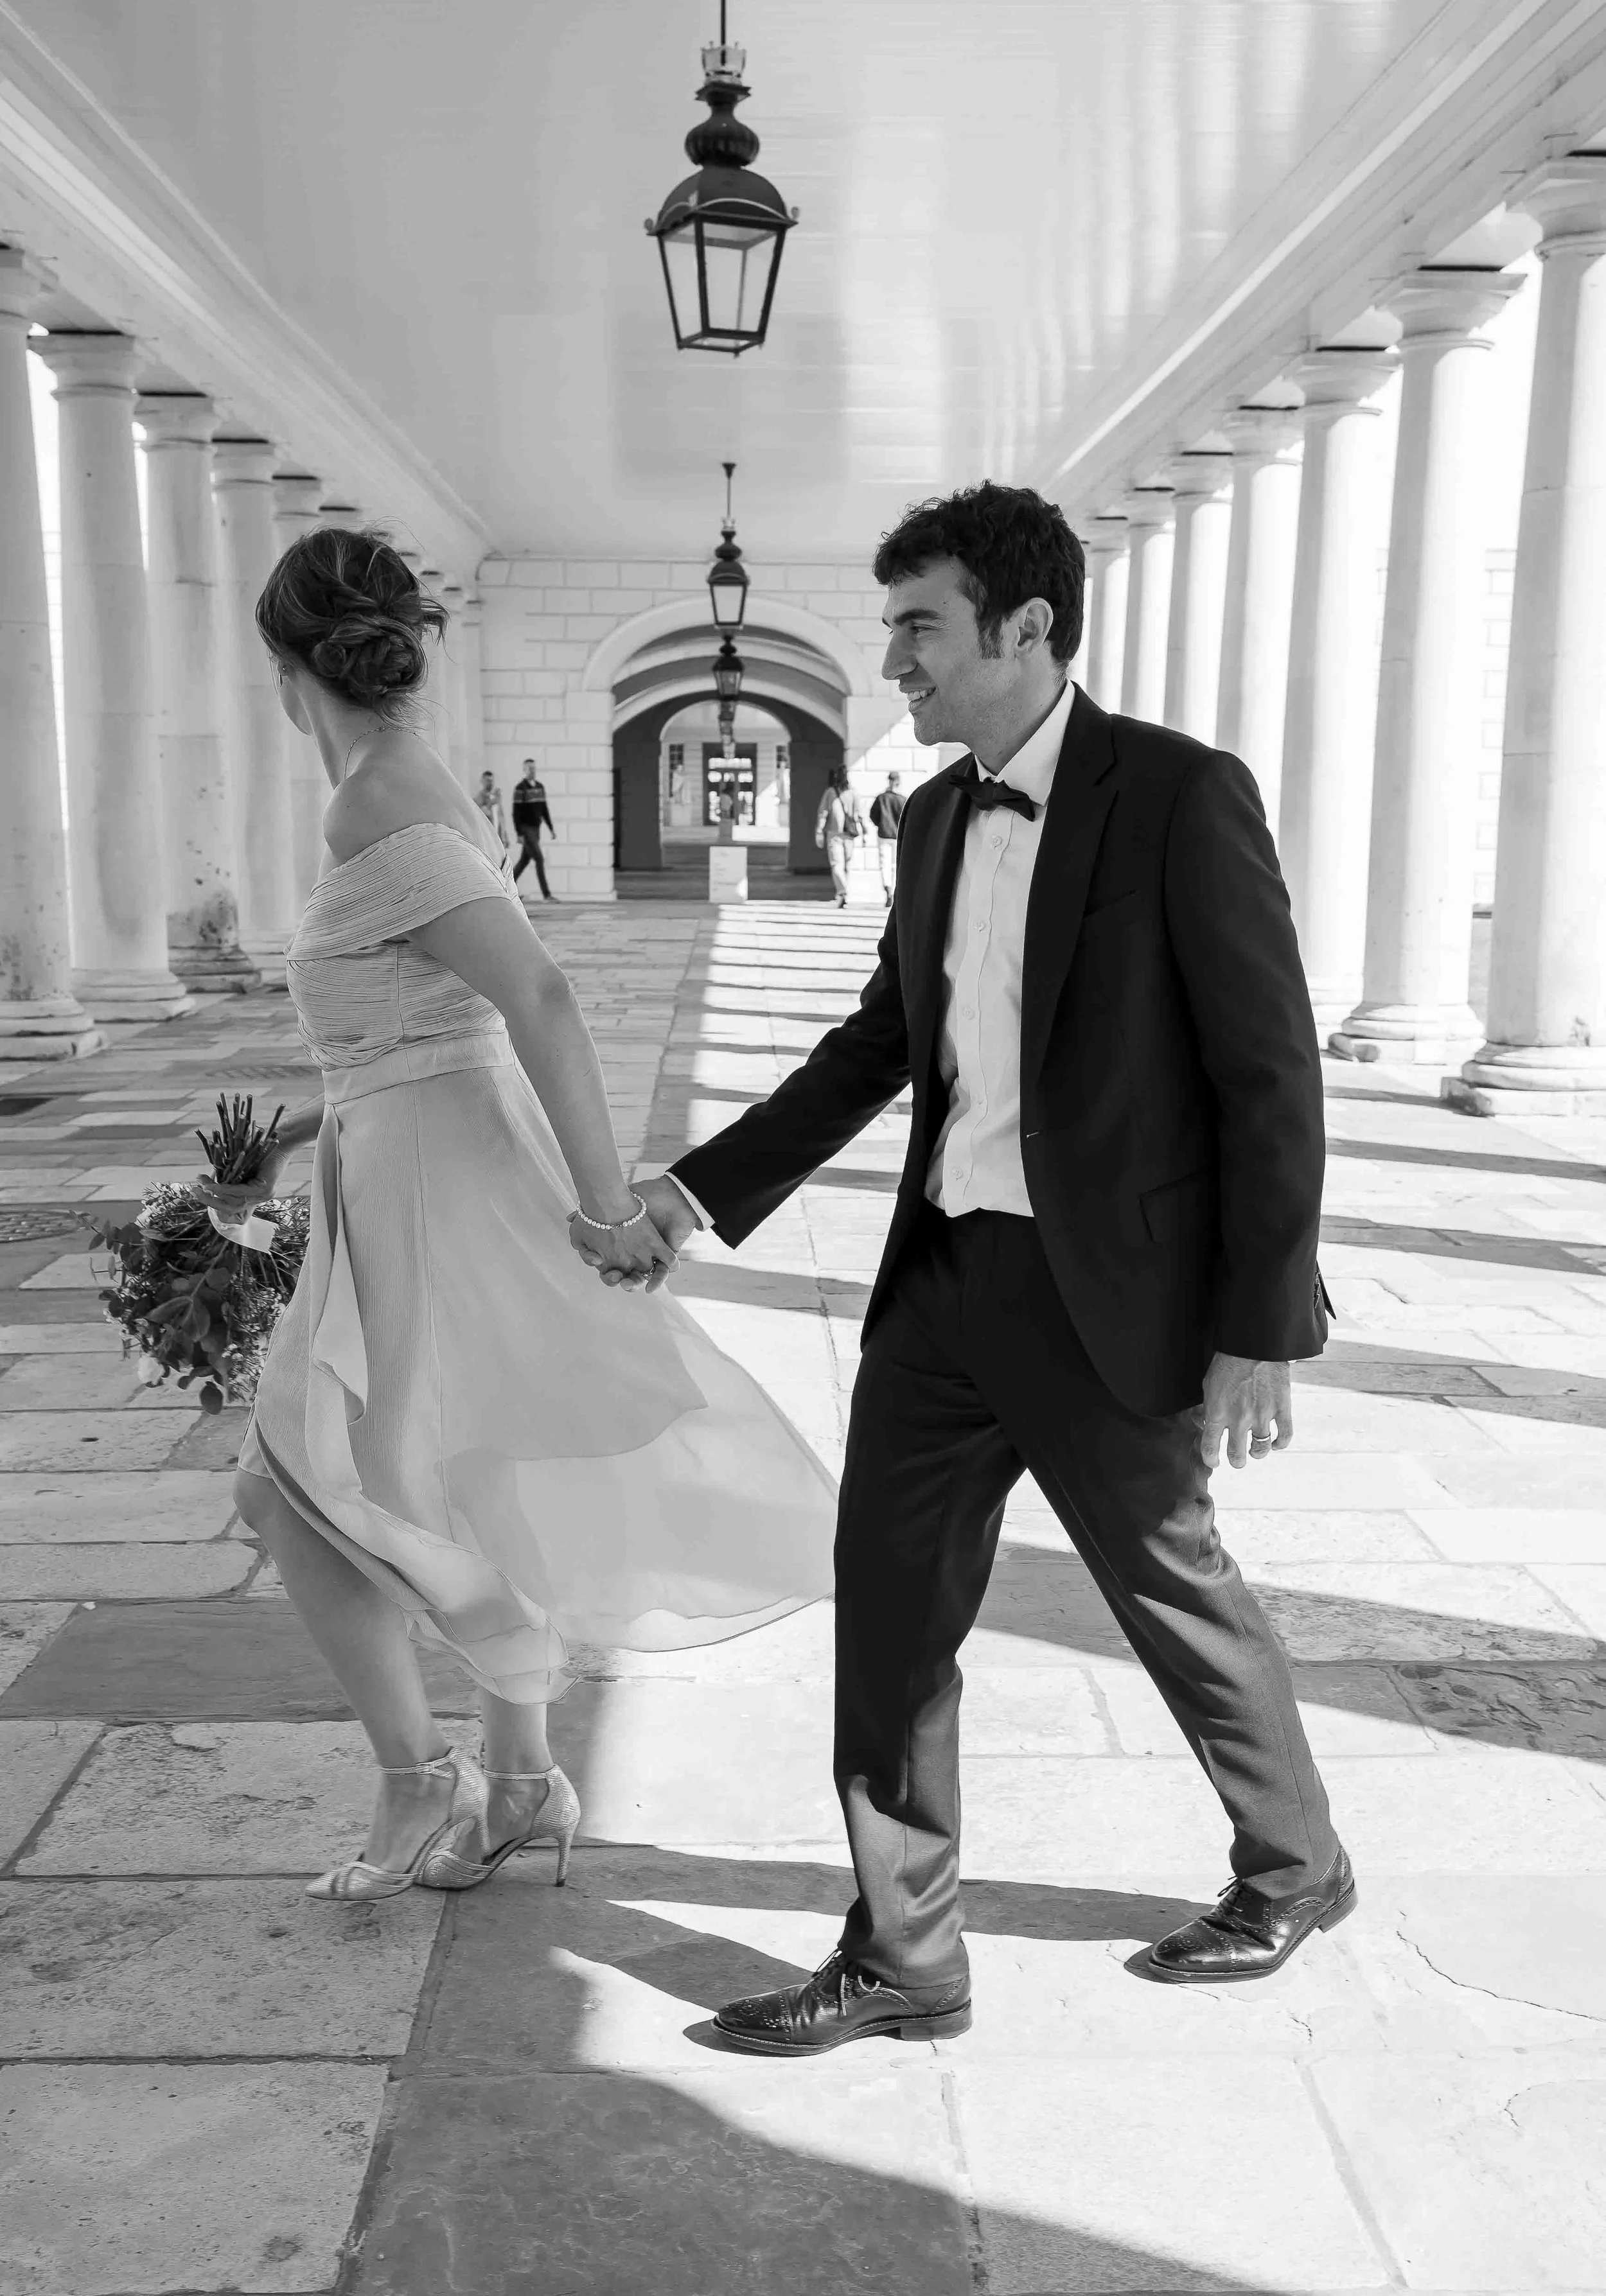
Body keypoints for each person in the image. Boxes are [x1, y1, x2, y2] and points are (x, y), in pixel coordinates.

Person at [599, 480, 1348, 2055]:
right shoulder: (936, 816)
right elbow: (876, 1046)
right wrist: (694, 1189)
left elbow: (1270, 1072)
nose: (896, 664)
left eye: (919, 626)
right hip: (944, 1284)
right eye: (891, 629)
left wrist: (1262, 1320)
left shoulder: (1179, 792)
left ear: (1025, 627)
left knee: (1167, 1586)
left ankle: (1297, 1862)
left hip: (1111, 1293)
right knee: (887, 1609)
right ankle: (904, 1952)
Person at [213, 528, 836, 1906]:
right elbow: (414, 1034)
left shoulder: (374, 798)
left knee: (295, 1480)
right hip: (406, 1162)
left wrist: (610, 1205)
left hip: (437, 1191)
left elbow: (537, 994)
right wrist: (290, 1139)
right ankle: (518, 1775)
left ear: (284, 669)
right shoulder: (400, 784)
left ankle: (417, 1772)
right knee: (455, 1469)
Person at [814, 765, 861, 907]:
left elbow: (823, 813)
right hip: (849, 834)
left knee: (837, 865)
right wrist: (864, 832)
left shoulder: (830, 792)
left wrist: (819, 832)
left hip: (834, 834)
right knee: (846, 866)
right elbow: (859, 815)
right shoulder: (854, 793)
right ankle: (843, 893)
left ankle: (842, 892)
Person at [512, 760, 555, 900]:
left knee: (524, 861)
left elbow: (544, 809)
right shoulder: (520, 788)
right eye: (529, 768)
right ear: (524, 770)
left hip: (537, 829)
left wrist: (551, 828)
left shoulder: (540, 787)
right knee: (539, 858)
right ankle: (547, 894)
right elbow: (516, 813)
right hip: (526, 829)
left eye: (534, 768)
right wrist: (519, 833)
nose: (532, 771)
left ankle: (505, 887)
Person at [868, 769, 904, 906]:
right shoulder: (902, 800)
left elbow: (873, 816)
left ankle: (888, 891)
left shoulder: (881, 798)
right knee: (896, 864)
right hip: (897, 836)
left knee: (884, 863)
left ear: (889, 781)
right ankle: (895, 892)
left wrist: (881, 824)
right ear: (899, 782)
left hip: (883, 834)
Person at [474, 767, 507, 846]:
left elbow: (501, 816)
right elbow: (483, 813)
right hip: (487, 836)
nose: (491, 783)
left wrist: (505, 835)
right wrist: (491, 803)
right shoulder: (479, 797)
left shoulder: (496, 797)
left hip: (498, 835)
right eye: (488, 781)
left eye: (492, 781)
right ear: (483, 781)